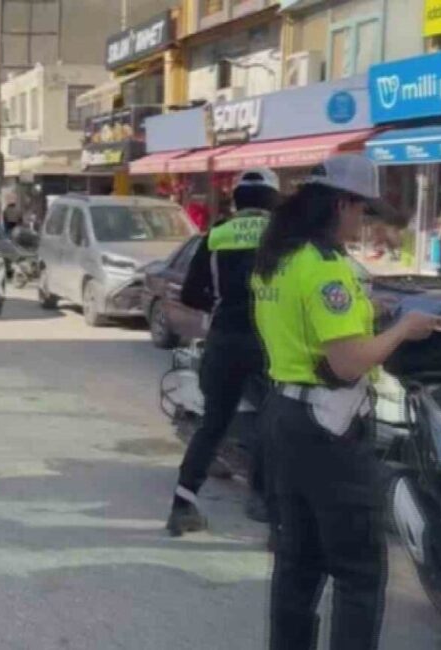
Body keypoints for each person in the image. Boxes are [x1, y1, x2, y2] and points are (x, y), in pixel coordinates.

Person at [251, 154, 440, 650]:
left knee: (298, 560)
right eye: (362, 211)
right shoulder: (326, 269)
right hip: (328, 423)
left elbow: (308, 325)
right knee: (359, 569)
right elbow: (348, 363)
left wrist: (366, 309)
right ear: (340, 204)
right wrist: (402, 328)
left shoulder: (281, 258)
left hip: (284, 415)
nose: (363, 223)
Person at [166, 168, 281, 536]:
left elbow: (189, 295)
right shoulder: (285, 238)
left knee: (213, 424)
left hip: (224, 339)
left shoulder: (216, 236)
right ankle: (264, 502)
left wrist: (219, 301)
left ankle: (182, 506)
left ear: (236, 201)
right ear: (274, 201)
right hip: (270, 342)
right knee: (273, 421)